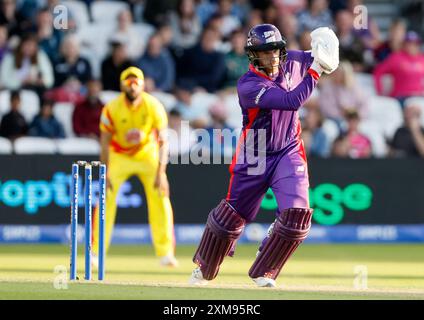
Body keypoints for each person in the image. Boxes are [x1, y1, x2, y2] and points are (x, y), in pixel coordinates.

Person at [189, 24, 339, 287]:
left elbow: (323, 57)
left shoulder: (292, 60)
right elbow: (292, 100)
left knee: (297, 215)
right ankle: (205, 267)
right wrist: (316, 70)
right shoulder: (248, 85)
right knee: (230, 219)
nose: (271, 57)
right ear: (252, 55)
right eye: (264, 52)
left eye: (275, 50)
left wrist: (326, 42)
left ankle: (265, 269)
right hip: (255, 151)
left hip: (289, 148)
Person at [91, 66, 178, 267]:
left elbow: (164, 141)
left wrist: (161, 173)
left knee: (160, 197)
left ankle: (166, 253)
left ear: (142, 84)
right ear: (122, 85)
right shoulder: (111, 108)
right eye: (128, 82)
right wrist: (104, 172)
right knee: (105, 199)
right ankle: (95, 252)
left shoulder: (154, 106)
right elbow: (104, 142)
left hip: (147, 154)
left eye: (136, 81)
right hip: (119, 156)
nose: (132, 85)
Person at [373, 31, 424, 102]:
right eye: (409, 43)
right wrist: (379, 91)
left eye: (415, 43)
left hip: (419, 96)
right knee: (414, 108)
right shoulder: (396, 57)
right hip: (401, 96)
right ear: (404, 44)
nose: (412, 46)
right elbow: (378, 72)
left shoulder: (422, 59)